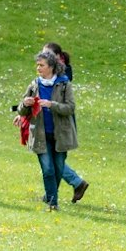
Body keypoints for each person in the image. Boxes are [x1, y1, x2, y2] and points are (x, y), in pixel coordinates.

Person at [15, 49, 77, 211]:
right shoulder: (34, 84)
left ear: (51, 67)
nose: (38, 68)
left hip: (61, 135)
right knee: (48, 169)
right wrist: (25, 104)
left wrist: (52, 105)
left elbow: (70, 108)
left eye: (41, 65)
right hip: (40, 134)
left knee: (57, 169)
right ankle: (52, 203)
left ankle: (51, 198)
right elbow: (22, 110)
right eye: (37, 65)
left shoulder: (64, 84)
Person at [43, 41, 90, 203]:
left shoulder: (62, 75)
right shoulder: (48, 73)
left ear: (57, 57)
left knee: (54, 160)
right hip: (53, 121)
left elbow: (64, 104)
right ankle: (52, 194)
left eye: (48, 55)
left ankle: (76, 183)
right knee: (53, 159)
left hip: (61, 123)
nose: (44, 58)